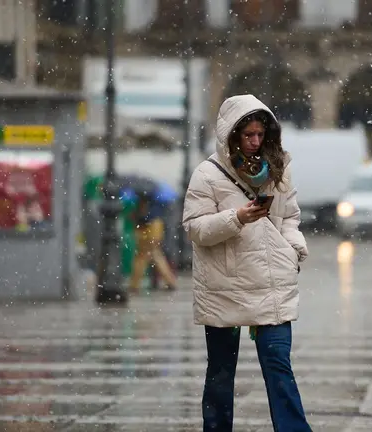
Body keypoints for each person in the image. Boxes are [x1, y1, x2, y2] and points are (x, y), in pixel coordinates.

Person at [182, 94, 311, 432]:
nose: (256, 142)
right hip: (225, 285)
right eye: (248, 135)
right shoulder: (207, 175)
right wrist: (237, 218)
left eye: (260, 134)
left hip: (273, 284)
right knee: (222, 371)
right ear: (232, 135)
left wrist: (293, 248)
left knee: (278, 365)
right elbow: (195, 229)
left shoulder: (279, 169)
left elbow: (290, 217)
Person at [129, 190, 178, 293]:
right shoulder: (156, 203)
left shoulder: (145, 204)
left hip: (148, 230)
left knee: (143, 257)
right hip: (155, 228)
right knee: (155, 256)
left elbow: (143, 218)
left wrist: (135, 215)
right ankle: (170, 281)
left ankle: (134, 284)